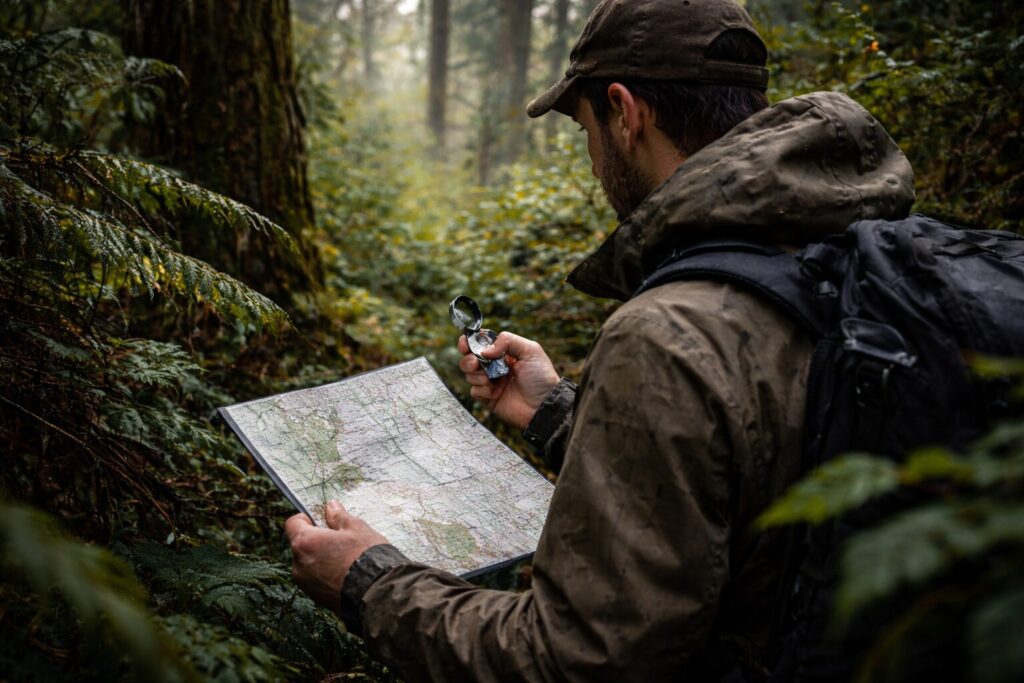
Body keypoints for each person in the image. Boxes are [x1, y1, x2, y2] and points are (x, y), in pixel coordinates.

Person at [284, 0, 915, 680]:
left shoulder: (665, 336)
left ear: (624, 111)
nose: (592, 161)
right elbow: (752, 468)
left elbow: (573, 659)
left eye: (587, 129)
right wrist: (555, 411)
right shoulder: (874, 258)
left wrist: (370, 583)